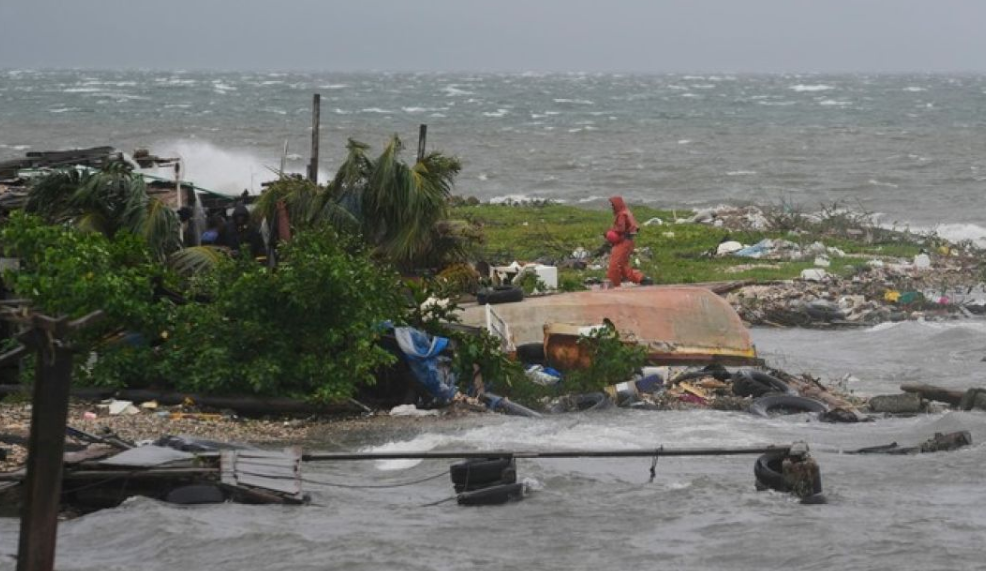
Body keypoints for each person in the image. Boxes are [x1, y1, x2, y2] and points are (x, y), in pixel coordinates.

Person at [605, 196, 652, 287]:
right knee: (623, 265)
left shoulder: (622, 214)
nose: (612, 207)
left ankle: (613, 283)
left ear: (617, 205)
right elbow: (636, 228)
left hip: (623, 242)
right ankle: (641, 278)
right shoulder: (627, 212)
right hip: (629, 242)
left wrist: (609, 233)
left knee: (615, 263)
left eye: (613, 205)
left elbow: (620, 229)